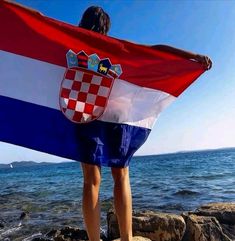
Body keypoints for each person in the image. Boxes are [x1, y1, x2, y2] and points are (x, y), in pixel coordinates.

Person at [78, 6, 212, 241]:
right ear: (106, 27)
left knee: (91, 180)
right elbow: (154, 51)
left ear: (83, 21)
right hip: (116, 116)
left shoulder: (71, 43)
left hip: (86, 114)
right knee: (121, 175)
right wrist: (191, 55)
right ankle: (127, 238)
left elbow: (38, 22)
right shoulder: (114, 47)